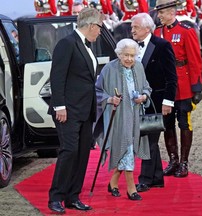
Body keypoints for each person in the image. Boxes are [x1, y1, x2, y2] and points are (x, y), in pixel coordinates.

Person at [47, 8, 104, 213]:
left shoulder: (88, 46)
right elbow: (57, 76)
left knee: (81, 155)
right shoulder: (67, 43)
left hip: (86, 110)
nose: (100, 31)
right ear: (91, 26)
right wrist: (59, 106)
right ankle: (56, 197)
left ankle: (73, 196)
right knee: (69, 151)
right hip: (68, 111)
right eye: (99, 27)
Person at [94, 38, 152, 201]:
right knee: (126, 147)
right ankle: (131, 188)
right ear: (119, 54)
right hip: (117, 116)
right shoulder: (109, 68)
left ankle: (113, 183)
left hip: (135, 115)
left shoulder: (139, 67)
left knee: (129, 148)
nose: (129, 59)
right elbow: (97, 91)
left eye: (132, 56)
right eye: (126, 55)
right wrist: (110, 99)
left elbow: (147, 87)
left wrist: (144, 96)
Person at [154, 0, 202, 178]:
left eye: (162, 13)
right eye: (159, 13)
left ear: (172, 13)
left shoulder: (186, 32)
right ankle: (173, 161)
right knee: (167, 124)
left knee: (184, 123)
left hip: (183, 85)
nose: (159, 16)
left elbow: (195, 60)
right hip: (165, 86)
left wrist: (196, 87)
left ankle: (184, 162)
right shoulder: (157, 33)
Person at [130, 13, 177, 192]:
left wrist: (168, 102)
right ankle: (157, 178)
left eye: (135, 27)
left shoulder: (162, 46)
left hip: (157, 102)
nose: (132, 30)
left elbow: (172, 78)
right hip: (138, 103)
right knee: (149, 140)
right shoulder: (131, 46)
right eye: (132, 27)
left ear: (147, 28)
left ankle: (145, 179)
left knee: (148, 141)